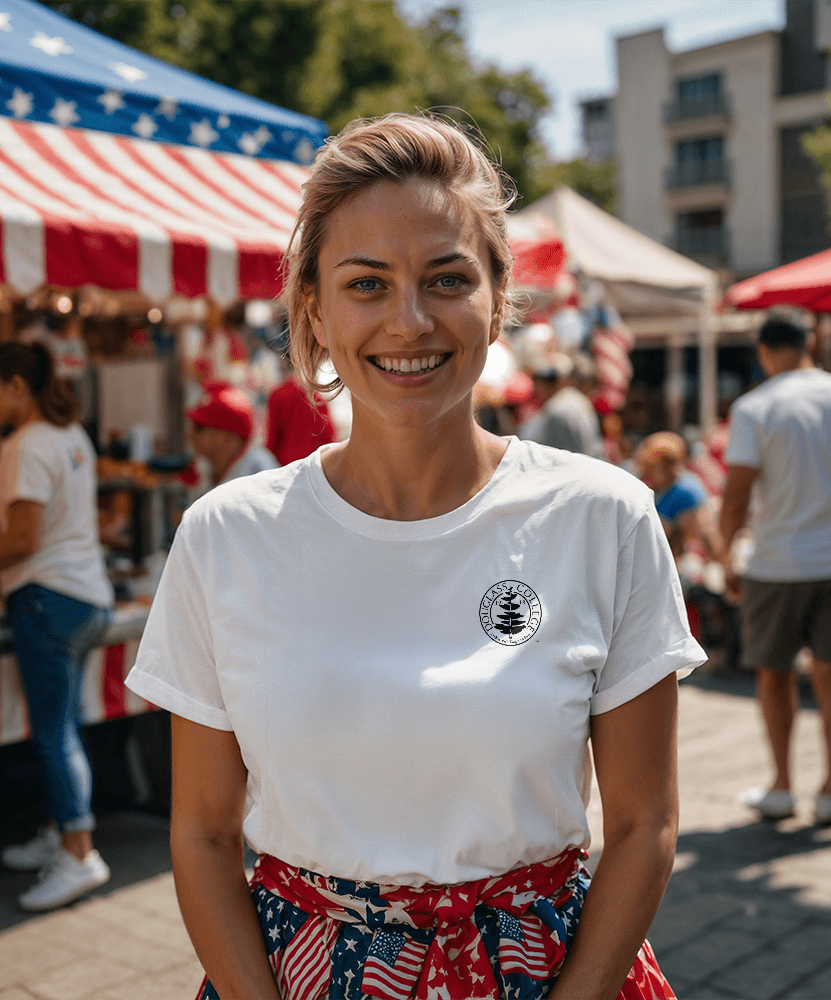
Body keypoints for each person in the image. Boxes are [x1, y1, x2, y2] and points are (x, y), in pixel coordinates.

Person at [125, 113, 704, 1000]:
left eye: (446, 279)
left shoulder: (605, 517)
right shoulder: (224, 537)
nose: (409, 320)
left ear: (498, 299)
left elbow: (642, 823)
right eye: (366, 283)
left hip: (555, 974)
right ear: (313, 307)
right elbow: (202, 834)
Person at [0, 342, 114, 911]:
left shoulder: (25, 445)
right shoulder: (71, 436)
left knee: (53, 732)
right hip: (86, 598)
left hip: (47, 600)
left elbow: (23, 540)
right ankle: (62, 831)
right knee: (66, 725)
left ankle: (79, 853)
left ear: (18, 386)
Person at [720, 312, 831, 825]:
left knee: (774, 676)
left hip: (777, 561)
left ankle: (781, 785)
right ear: (813, 342)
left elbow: (735, 496)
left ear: (763, 350)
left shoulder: (756, 408)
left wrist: (725, 553)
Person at [637, 431, 724, 565]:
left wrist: (724, 567)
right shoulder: (652, 488)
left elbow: (707, 536)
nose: (646, 473)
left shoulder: (686, 489)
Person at [519, 345, 606, 459]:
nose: (544, 385)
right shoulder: (577, 400)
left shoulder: (558, 408)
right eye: (541, 379)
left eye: (552, 380)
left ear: (565, 379)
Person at [186, 384, 278, 488]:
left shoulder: (261, 472)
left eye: (199, 427)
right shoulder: (208, 468)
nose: (190, 435)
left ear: (224, 436)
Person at [265, 367, 337, 466]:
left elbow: (272, 437)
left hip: (285, 464)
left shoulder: (277, 395)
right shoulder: (315, 396)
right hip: (312, 463)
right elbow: (329, 435)